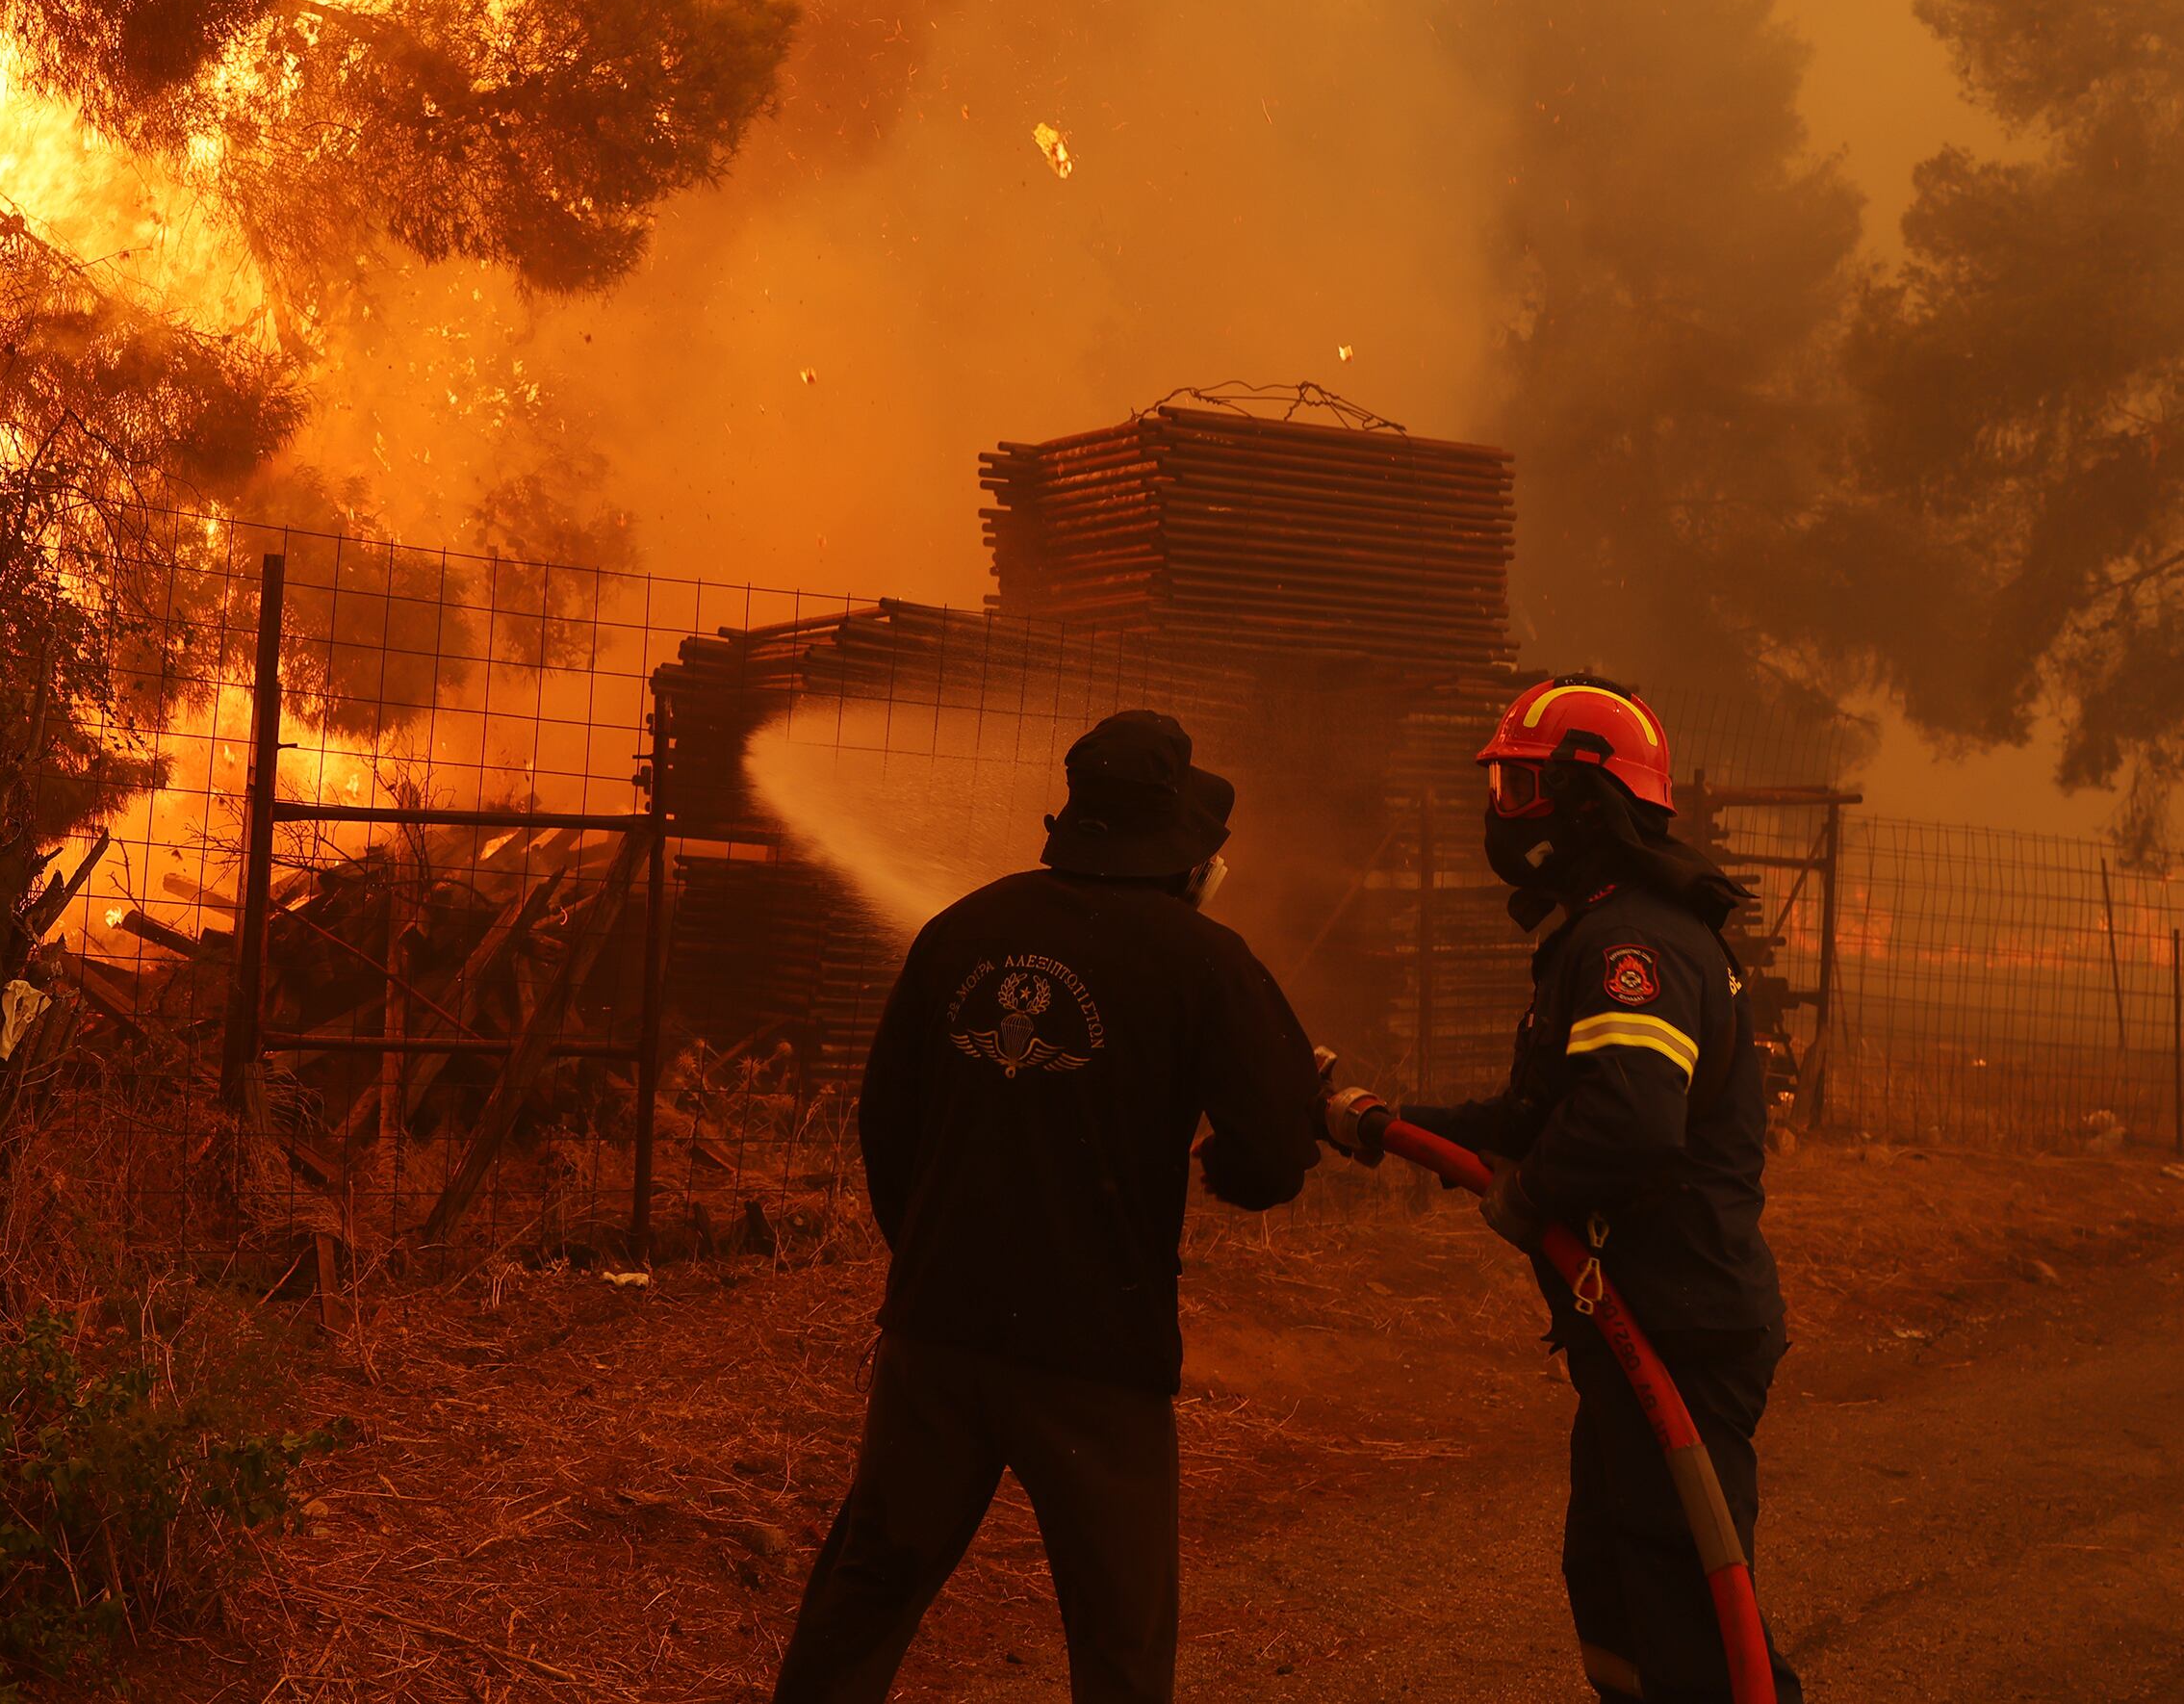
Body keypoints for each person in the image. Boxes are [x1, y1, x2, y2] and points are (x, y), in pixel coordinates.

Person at [768, 710, 1324, 1704]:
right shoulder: (1206, 962)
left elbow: (885, 1122)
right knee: (1121, 1633)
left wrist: (932, 1254)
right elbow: (1277, 1148)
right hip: (1099, 1357)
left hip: (937, 1336)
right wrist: (1226, 1170)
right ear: (1183, 852)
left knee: (869, 1589)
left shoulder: (960, 931)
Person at [1357, 674, 1801, 1704]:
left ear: (1584, 800)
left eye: (1518, 790)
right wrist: (1384, 1122)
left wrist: (1529, 1195)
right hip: (1638, 1322)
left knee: (1691, 1607)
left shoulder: (1630, 945)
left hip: (1678, 1326)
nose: (1501, 817)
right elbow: (1534, 1120)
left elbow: (1630, 1121)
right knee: (1612, 1580)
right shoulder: (1603, 933)